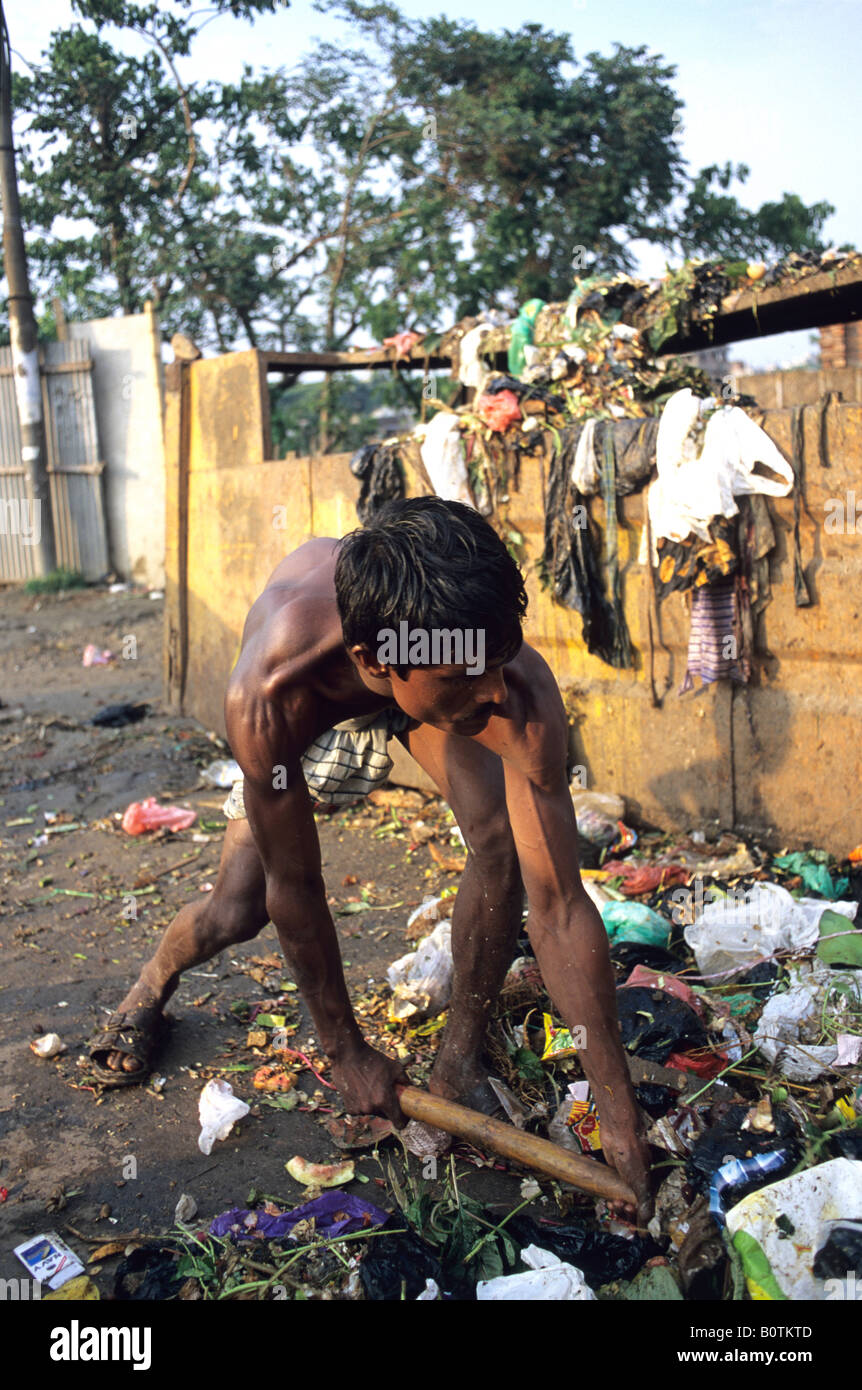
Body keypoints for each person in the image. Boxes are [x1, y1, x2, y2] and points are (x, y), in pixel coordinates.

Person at [88, 497, 651, 1218]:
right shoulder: (268, 693)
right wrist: (345, 1050)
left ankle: (459, 1060)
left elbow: (561, 905)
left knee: (500, 843)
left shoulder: (487, 670)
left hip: (407, 691)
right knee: (239, 910)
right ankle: (150, 982)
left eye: (500, 658)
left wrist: (619, 1121)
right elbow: (298, 887)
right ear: (375, 661)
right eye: (466, 677)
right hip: (318, 713)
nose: (494, 692)